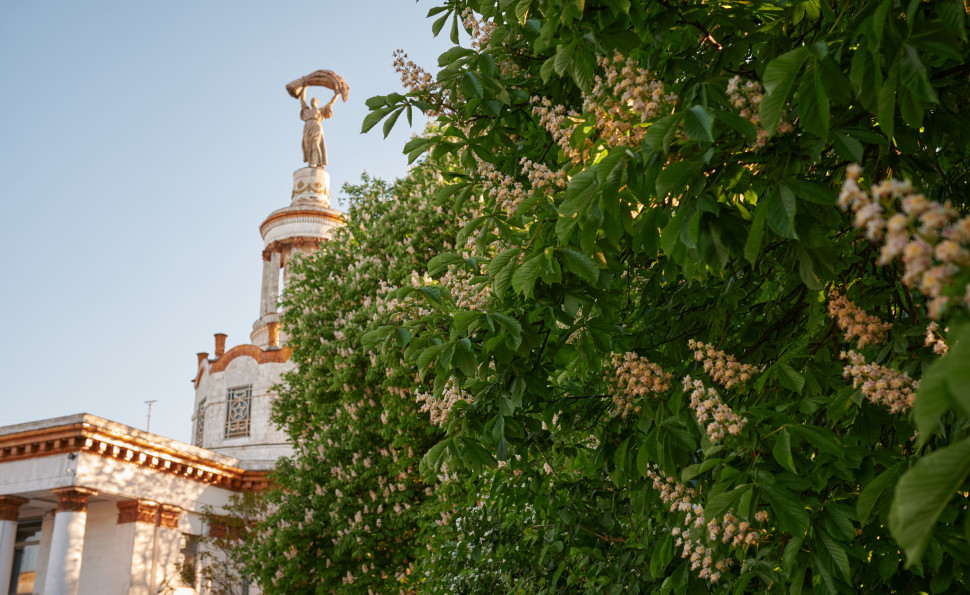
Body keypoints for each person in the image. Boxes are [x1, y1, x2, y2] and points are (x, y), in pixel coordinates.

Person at [300, 87, 339, 168]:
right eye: (311, 100)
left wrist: (337, 94)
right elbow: (302, 99)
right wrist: (304, 87)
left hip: (316, 126)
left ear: (317, 103)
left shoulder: (320, 111)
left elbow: (331, 102)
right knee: (307, 146)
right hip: (307, 127)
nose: (312, 101)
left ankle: (315, 162)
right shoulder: (306, 110)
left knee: (315, 143)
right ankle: (311, 162)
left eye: (314, 100)